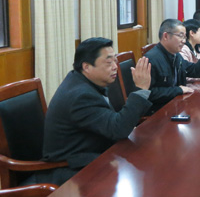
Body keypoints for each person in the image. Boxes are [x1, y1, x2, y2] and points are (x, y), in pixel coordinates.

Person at [42, 37, 152, 185]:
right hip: (70, 168)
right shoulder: (80, 96)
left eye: (115, 61)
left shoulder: (82, 81)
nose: (115, 67)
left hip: (91, 154)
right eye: (108, 62)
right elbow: (118, 129)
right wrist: (141, 89)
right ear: (87, 67)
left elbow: (113, 124)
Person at [145, 19, 200, 114]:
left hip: (176, 105)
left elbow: (195, 71)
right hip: (159, 111)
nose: (184, 41)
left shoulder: (176, 55)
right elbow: (148, 93)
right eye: (180, 36)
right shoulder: (151, 59)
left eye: (185, 37)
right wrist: (178, 90)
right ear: (166, 36)